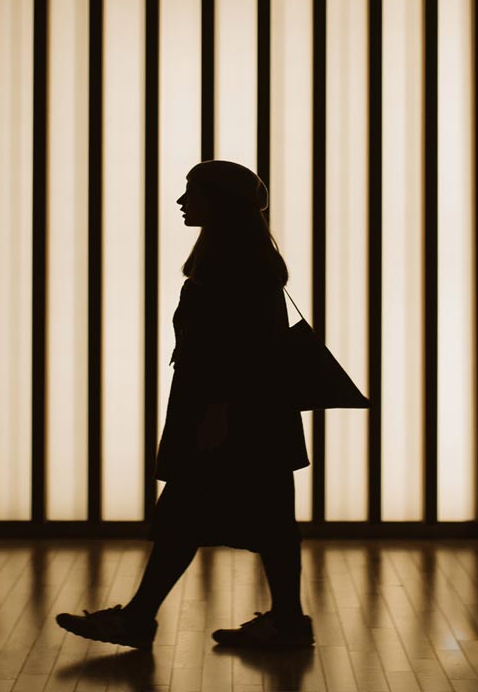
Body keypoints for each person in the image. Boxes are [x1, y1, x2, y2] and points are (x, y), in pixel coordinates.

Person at [56, 160, 313, 650]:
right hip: (254, 412)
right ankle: (284, 620)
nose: (181, 202)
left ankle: (140, 618)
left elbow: (230, 347)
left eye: (191, 193)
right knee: (264, 518)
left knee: (187, 514)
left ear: (219, 202)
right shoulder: (249, 258)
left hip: (227, 411)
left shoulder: (229, 262)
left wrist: (216, 410)